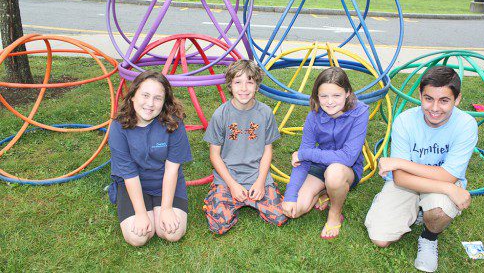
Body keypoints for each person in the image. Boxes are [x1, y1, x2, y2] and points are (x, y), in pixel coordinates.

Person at [364, 66, 478, 272]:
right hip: (411, 184)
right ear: (419, 95)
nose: (435, 108)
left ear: (457, 99)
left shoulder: (466, 125)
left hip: (441, 183)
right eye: (428, 99)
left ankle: (429, 237)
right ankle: (415, 208)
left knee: (439, 211)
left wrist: (400, 163)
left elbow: (448, 176)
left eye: (444, 100)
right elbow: (400, 179)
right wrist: (449, 188)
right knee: (379, 238)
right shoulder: (405, 121)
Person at [281, 67, 369, 239]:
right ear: (316, 96)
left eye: (336, 95)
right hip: (319, 166)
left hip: (345, 170)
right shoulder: (314, 116)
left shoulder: (360, 113)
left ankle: (335, 214)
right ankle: (325, 192)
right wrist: (290, 196)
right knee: (295, 210)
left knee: (334, 173)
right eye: (324, 96)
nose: (329, 102)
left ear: (347, 93)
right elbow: (302, 160)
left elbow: (348, 157)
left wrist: (306, 154)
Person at [202, 59, 288, 234]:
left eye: (250, 82)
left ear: (256, 86)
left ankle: (250, 199)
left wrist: (261, 181)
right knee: (218, 225)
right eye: (238, 82)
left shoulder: (265, 113)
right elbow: (214, 155)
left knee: (280, 216)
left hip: (256, 175)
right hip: (228, 178)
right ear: (230, 85)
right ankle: (224, 197)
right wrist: (233, 185)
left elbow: (267, 151)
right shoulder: (221, 114)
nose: (243, 88)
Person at [108, 71, 192, 246]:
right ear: (132, 96)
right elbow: (129, 174)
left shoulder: (174, 123)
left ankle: (159, 208)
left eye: (157, 98)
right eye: (145, 95)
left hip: (167, 183)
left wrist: (167, 209)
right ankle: (145, 208)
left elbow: (172, 168)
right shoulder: (118, 127)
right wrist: (140, 214)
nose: (150, 104)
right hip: (134, 184)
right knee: (137, 237)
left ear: (164, 102)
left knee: (172, 233)